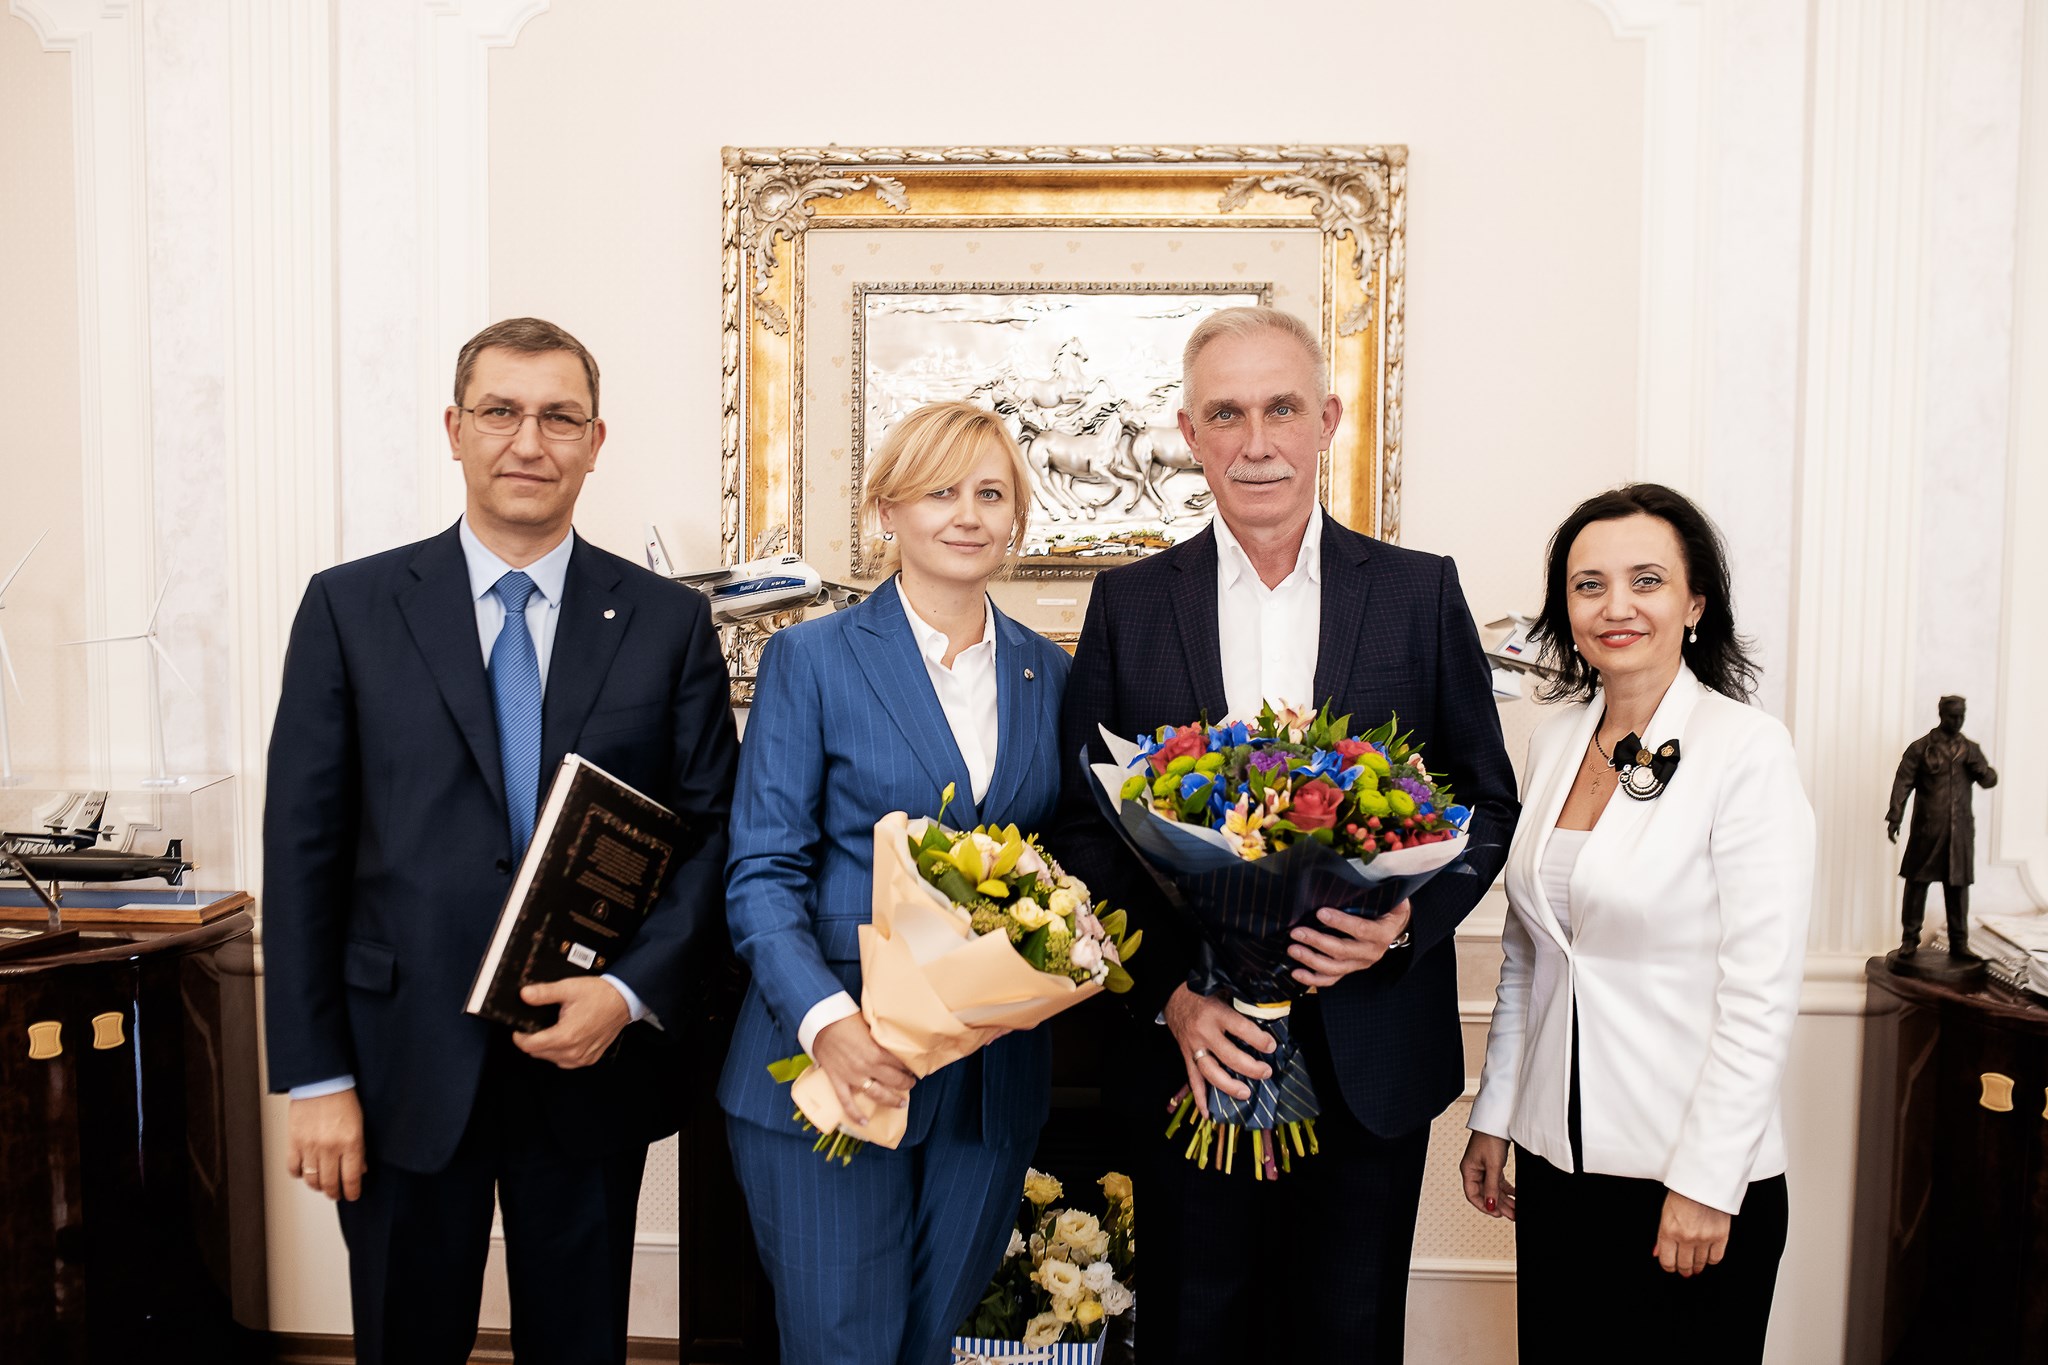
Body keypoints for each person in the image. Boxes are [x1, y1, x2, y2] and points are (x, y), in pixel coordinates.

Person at [263, 317, 739, 1364]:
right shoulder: (349, 609)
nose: (530, 440)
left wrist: (626, 994)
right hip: (396, 1067)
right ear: (454, 428)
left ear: (595, 440)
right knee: (405, 1342)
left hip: (586, 1055)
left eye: (559, 417)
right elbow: (300, 853)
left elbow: (709, 834)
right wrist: (314, 1077)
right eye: (501, 412)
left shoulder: (665, 622)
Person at [1052, 306, 1519, 1362]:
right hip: (1191, 1051)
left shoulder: (1416, 590)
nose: (1254, 441)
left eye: (1279, 408)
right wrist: (1170, 990)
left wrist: (1397, 929)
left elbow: (1485, 804)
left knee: (1346, 1336)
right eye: (1225, 413)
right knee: (1192, 1326)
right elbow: (1087, 828)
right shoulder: (1127, 603)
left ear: (1326, 420)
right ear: (1187, 431)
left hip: (1372, 1048)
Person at [717, 401, 1073, 1365]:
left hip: (990, 1083)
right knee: (844, 1350)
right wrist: (828, 1023)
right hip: (834, 1065)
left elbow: (1058, 862)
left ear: (1018, 517)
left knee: (926, 1347)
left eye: (991, 493)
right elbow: (760, 873)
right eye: (940, 491)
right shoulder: (813, 657)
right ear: (887, 511)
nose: (968, 514)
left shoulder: (1051, 673)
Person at [1459, 483, 1814, 1363]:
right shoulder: (1549, 743)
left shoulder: (1748, 749)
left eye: (1646, 580)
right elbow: (1528, 959)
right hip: (1557, 1168)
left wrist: (1705, 1181)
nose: (1616, 606)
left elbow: (1760, 993)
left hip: (1685, 1175)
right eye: (1589, 585)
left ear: (1694, 603)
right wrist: (1495, 1113)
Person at [1887, 694, 1999, 958]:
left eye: (1962, 715)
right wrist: (1895, 816)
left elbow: (1989, 781)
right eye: (1953, 716)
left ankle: (1960, 944)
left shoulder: (1971, 749)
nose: (1958, 720)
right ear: (1941, 714)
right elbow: (1902, 782)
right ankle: (1909, 940)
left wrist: (1983, 770)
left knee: (1957, 886)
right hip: (1929, 829)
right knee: (1917, 883)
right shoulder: (1921, 748)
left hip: (1959, 831)